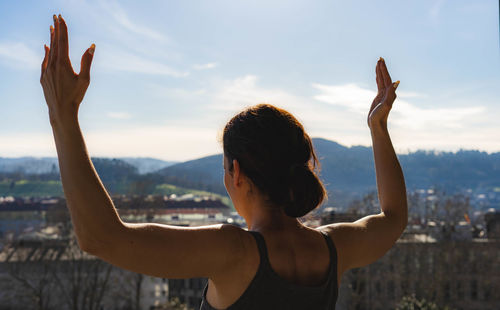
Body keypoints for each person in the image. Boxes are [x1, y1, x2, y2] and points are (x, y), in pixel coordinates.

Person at [40, 15, 407, 310]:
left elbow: (100, 237)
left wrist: (63, 116)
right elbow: (393, 218)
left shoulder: (235, 252)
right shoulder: (333, 248)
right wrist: (378, 128)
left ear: (236, 173)